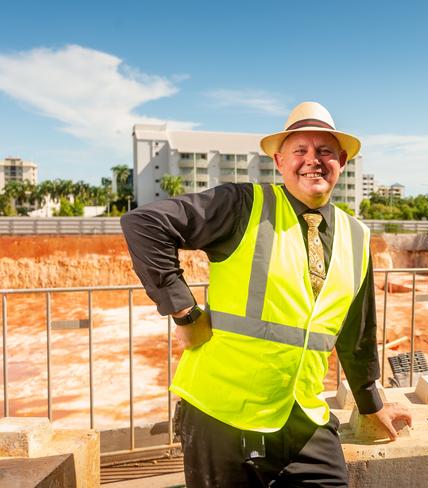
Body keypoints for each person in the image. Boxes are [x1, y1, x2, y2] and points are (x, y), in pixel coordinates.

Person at [121, 101, 411, 487]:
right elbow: (144, 224)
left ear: (341, 160)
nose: (313, 161)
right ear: (279, 161)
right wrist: (184, 310)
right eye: (300, 151)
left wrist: (372, 405)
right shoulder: (243, 205)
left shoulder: (356, 236)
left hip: (303, 418)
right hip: (220, 417)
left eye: (324, 151)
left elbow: (357, 332)